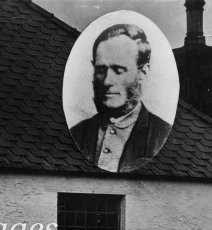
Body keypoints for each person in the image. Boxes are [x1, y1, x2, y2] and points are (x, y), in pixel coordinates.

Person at [70, 23, 172, 173]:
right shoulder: (78, 133)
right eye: (100, 70)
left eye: (118, 70)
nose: (106, 81)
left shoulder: (160, 134)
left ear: (143, 72)